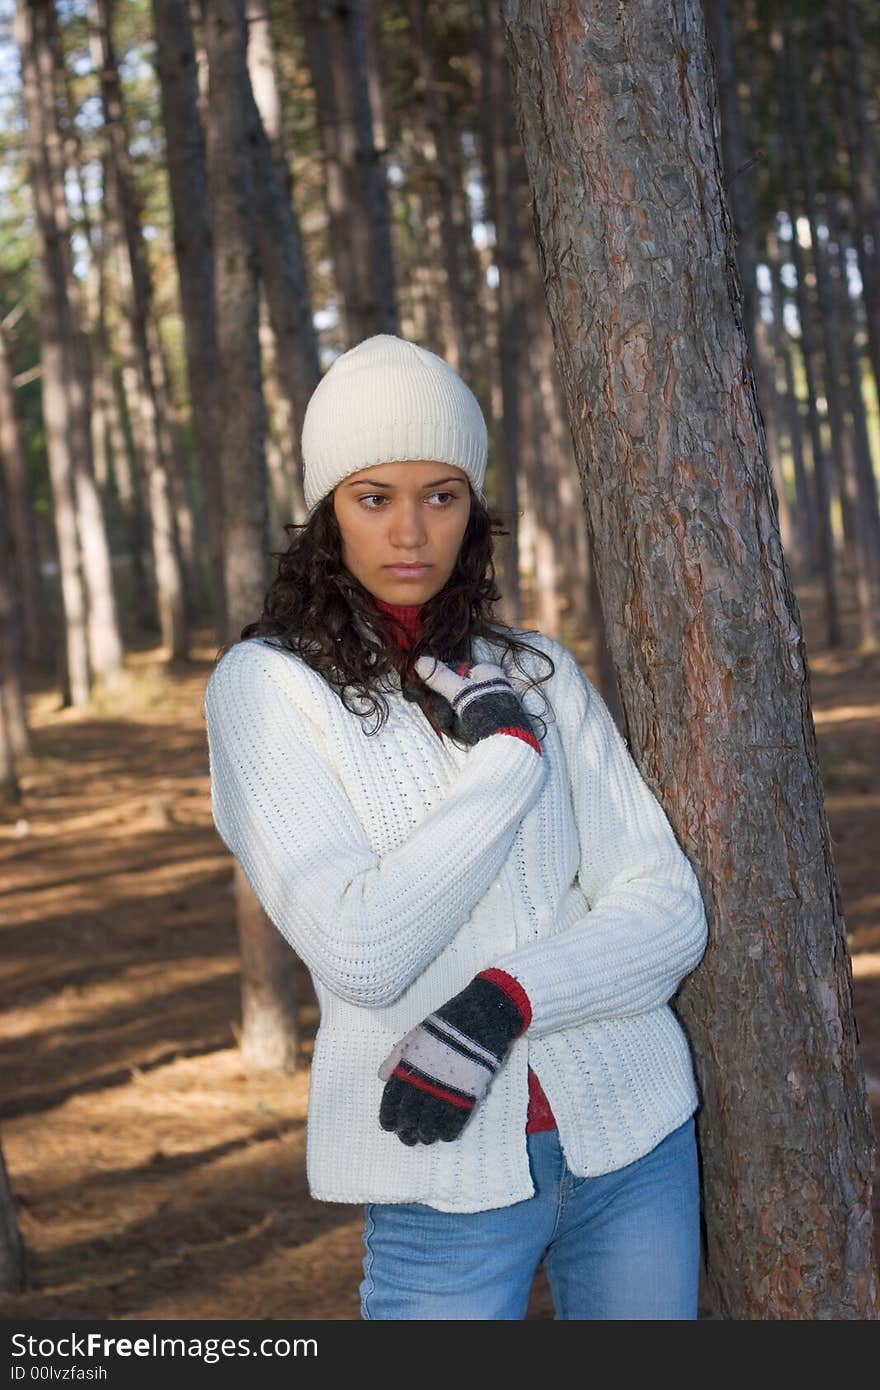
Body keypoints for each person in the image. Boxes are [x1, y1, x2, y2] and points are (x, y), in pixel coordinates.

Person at [203, 333, 709, 1320]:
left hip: (636, 1142)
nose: (411, 531)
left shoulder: (538, 672)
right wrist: (504, 763)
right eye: (373, 496)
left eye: (441, 494)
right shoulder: (267, 691)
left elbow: (664, 908)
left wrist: (504, 1001)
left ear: (471, 507)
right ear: (325, 511)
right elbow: (361, 947)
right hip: (440, 1176)